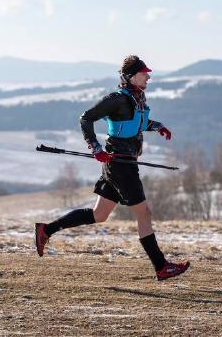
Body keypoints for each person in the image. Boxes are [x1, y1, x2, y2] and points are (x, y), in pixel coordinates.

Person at [35, 55, 190, 281]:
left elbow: (137, 123)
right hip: (120, 165)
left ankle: (46, 230)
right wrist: (95, 147)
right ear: (131, 77)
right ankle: (161, 266)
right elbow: (86, 118)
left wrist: (158, 126)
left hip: (123, 163)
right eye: (144, 73)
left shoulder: (137, 97)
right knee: (144, 213)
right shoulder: (116, 99)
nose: (148, 77)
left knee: (99, 215)